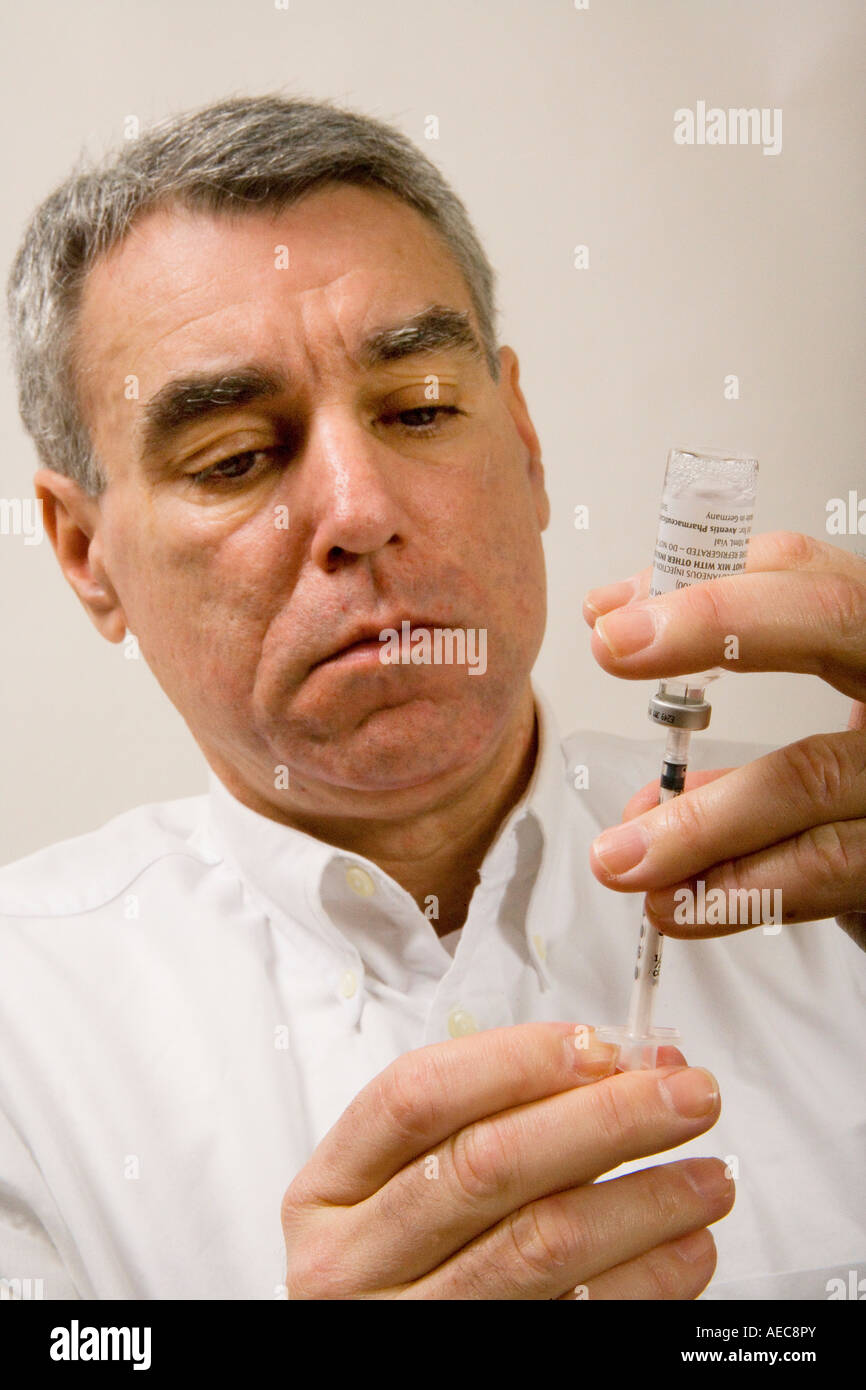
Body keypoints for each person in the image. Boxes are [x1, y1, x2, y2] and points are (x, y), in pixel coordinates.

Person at [1, 94, 863, 1302]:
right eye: (236, 457)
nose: (358, 508)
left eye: (418, 410)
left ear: (520, 435)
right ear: (87, 552)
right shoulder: (22, 1037)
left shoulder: (835, 889)